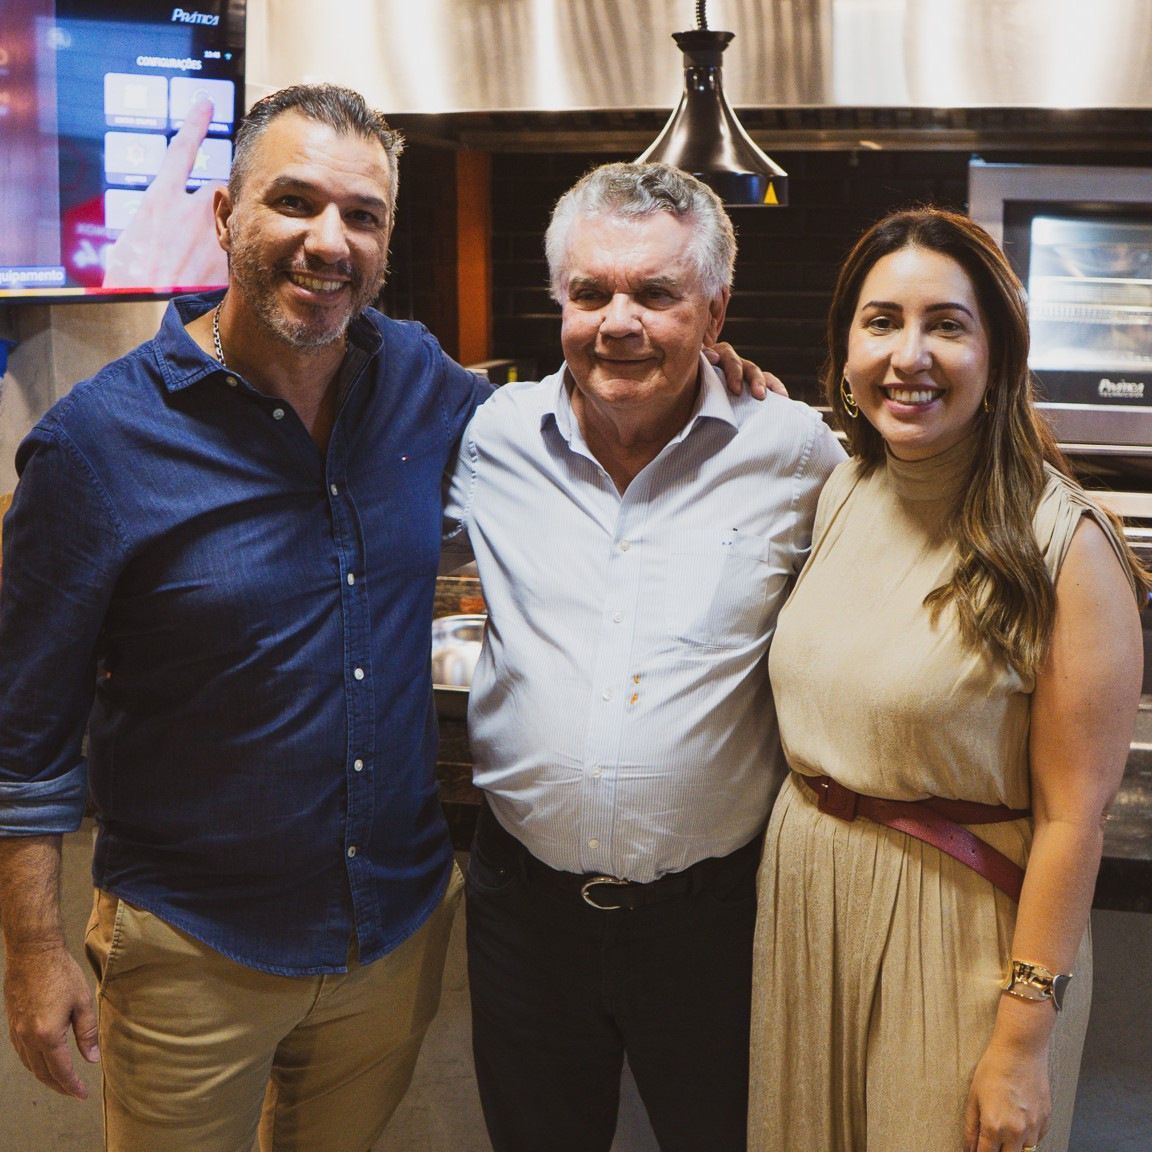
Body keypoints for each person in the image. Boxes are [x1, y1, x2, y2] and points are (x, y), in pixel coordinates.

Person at [0, 83, 491, 1152]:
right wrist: (31, 951)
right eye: (295, 203)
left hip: (395, 929)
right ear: (224, 216)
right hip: (192, 948)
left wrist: (714, 383)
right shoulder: (95, 447)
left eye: (361, 216)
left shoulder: (419, 381)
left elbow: (576, 417)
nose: (329, 241)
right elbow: (23, 735)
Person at [442, 161, 846, 1152]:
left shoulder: (794, 450)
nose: (617, 321)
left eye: (657, 294)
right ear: (560, 305)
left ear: (716, 313)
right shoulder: (489, 437)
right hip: (522, 918)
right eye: (591, 293)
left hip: (714, 928)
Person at [748, 207, 1147, 1152]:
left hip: (959, 940)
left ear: (998, 354)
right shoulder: (844, 489)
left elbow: (1072, 818)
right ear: (845, 347)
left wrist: (1020, 1042)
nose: (908, 355)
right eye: (881, 322)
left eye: (947, 325)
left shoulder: (1066, 544)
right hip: (809, 909)